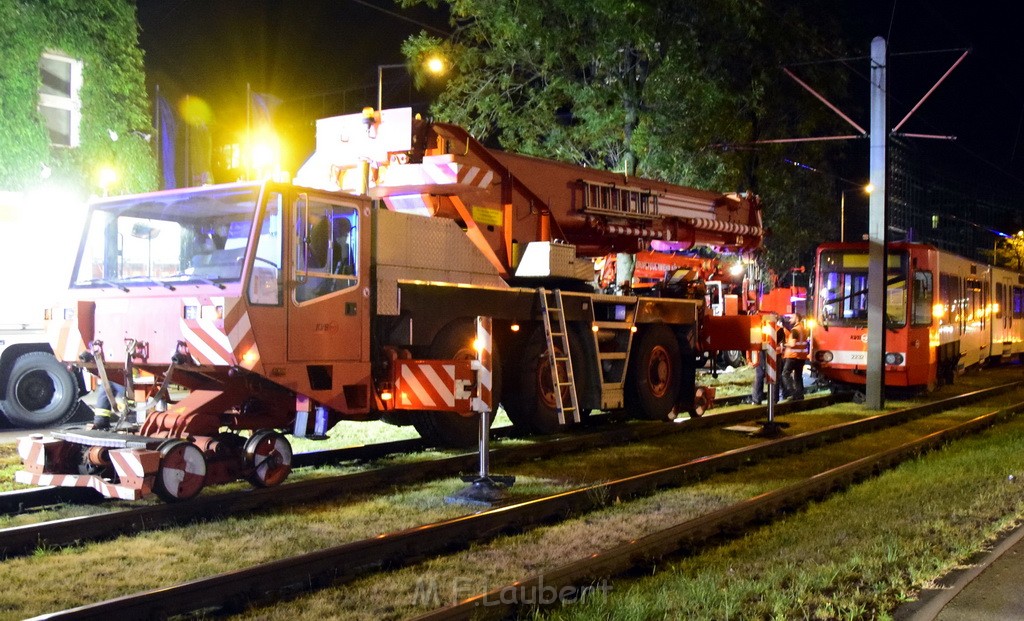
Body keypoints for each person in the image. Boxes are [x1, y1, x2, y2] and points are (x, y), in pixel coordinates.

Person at [748, 312, 786, 405]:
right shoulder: (776, 329)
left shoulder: (778, 330)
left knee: (766, 376)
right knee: (765, 376)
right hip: (766, 354)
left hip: (772, 355)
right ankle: (765, 399)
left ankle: (765, 399)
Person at [781, 313, 809, 401]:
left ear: (796, 318)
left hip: (793, 356)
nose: (789, 320)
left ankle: (792, 392)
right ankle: (800, 395)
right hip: (801, 357)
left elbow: (792, 344)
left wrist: (784, 344)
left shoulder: (795, 330)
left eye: (791, 318)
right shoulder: (803, 329)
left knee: (785, 373)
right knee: (798, 376)